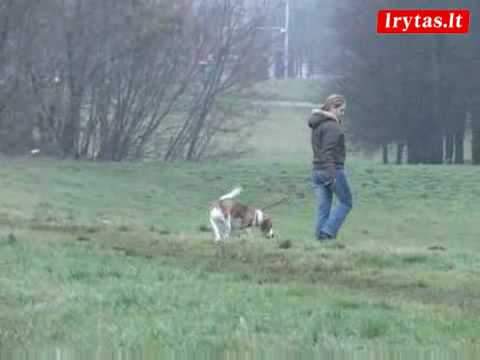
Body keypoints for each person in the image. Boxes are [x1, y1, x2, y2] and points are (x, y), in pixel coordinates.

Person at [308, 94, 352, 242]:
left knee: (323, 209)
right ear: (332, 108)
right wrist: (332, 174)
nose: (343, 114)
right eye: (341, 110)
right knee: (346, 202)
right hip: (331, 170)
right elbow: (328, 152)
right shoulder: (333, 127)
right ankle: (328, 232)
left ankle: (320, 242)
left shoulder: (317, 125)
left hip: (316, 172)